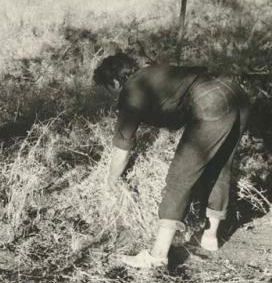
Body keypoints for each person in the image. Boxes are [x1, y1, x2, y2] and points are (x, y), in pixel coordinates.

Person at [93, 53, 250, 268]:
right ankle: (210, 236)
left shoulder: (131, 90)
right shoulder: (152, 72)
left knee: (180, 177)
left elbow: (122, 146)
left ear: (114, 81)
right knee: (220, 164)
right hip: (236, 93)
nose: (112, 95)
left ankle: (157, 256)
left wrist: (111, 180)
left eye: (109, 89)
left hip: (212, 101)